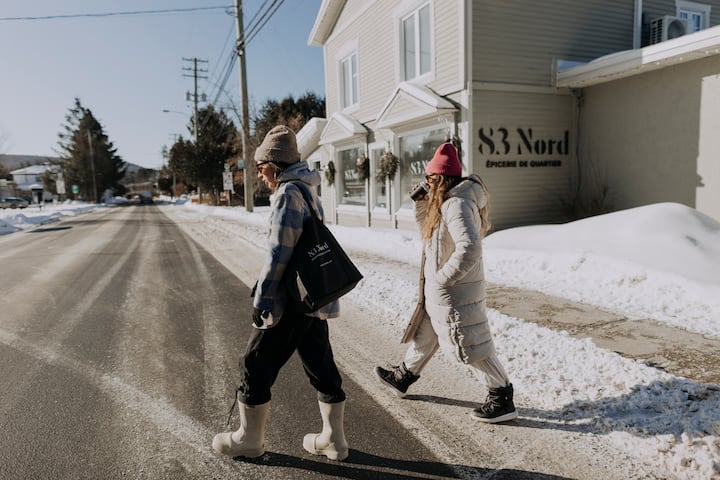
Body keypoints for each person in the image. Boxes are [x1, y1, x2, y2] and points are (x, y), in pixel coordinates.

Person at [212, 125, 349, 461]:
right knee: (320, 363)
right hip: (312, 296)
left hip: (291, 300)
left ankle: (249, 439)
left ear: (274, 166)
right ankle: (334, 439)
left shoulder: (288, 194)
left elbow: (279, 254)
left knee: (254, 362)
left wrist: (263, 299)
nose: (260, 175)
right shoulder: (307, 190)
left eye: (261, 168)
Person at [375, 142, 518, 424]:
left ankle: (501, 396)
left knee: (469, 344)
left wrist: (443, 279)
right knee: (427, 334)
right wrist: (421, 203)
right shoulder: (446, 202)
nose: (426, 182)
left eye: (429, 177)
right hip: (442, 293)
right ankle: (403, 377)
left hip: (454, 293)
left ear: (440, 178)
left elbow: (470, 248)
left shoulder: (457, 205)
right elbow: (431, 237)